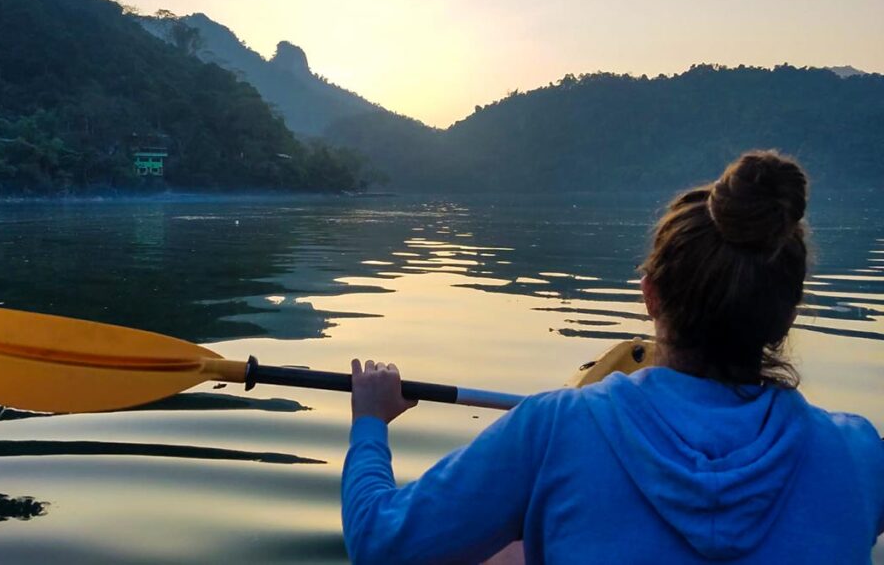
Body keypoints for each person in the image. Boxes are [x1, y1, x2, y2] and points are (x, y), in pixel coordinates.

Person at [341, 151, 884, 564]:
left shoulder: (553, 428)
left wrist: (371, 422)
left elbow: (378, 540)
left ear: (649, 294)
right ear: (788, 315)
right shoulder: (859, 452)